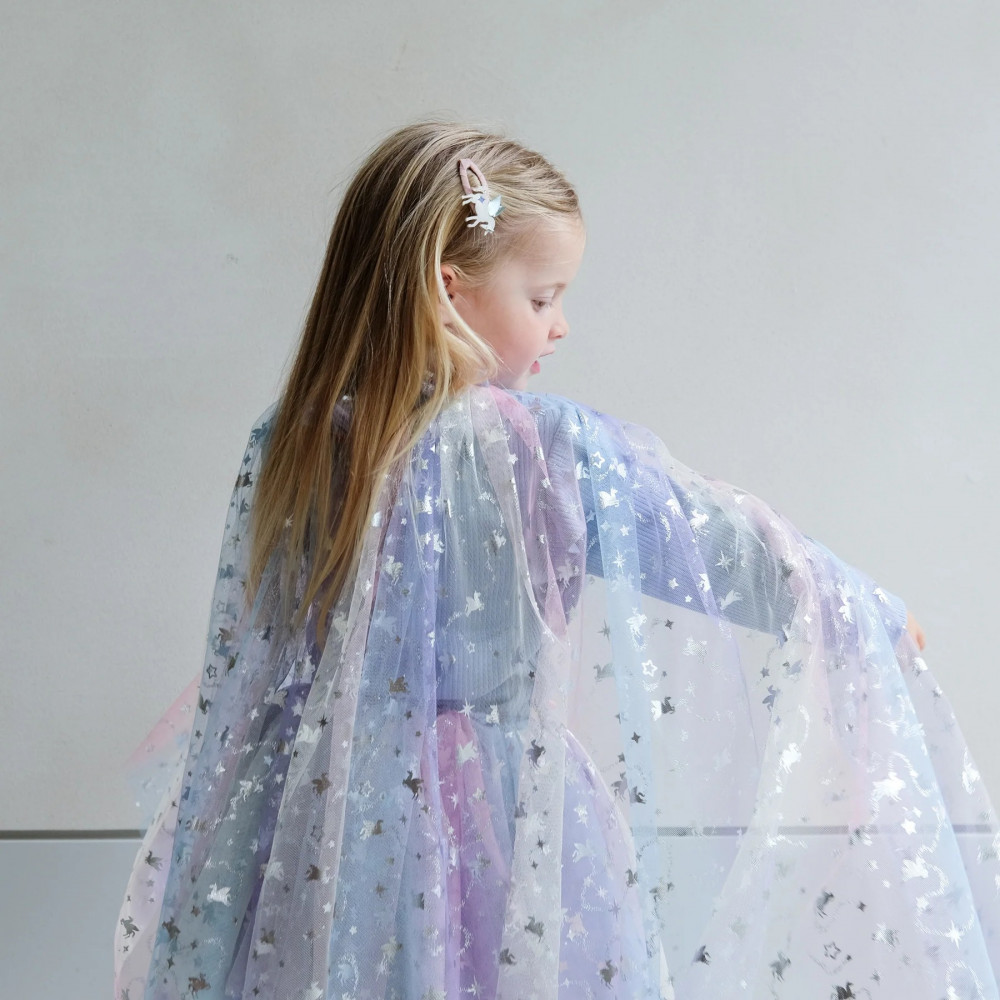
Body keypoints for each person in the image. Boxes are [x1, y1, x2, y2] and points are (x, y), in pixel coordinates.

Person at [114, 122, 1000, 1000]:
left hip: (309, 807)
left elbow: (249, 643)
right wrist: (856, 606)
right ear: (448, 290)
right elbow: (702, 540)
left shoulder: (293, 435)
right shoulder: (534, 449)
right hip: (485, 811)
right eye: (542, 299)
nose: (561, 325)